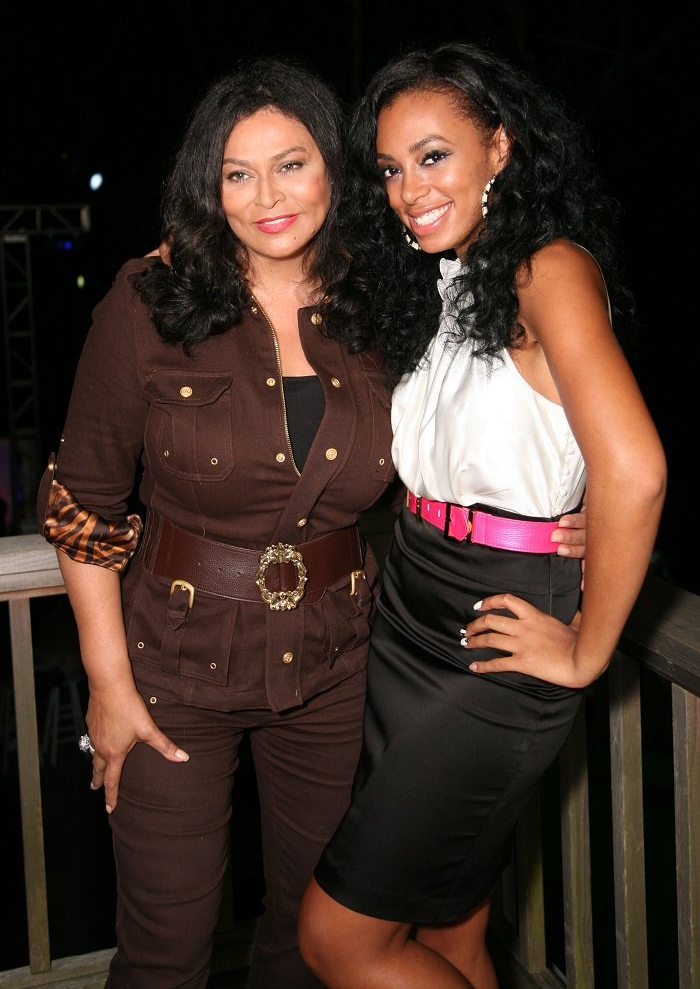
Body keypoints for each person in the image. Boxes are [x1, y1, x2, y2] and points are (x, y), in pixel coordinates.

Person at [37, 52, 587, 989]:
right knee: (166, 950)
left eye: (291, 163)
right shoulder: (151, 301)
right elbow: (83, 504)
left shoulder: (389, 303)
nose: (266, 197)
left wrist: (560, 518)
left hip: (339, 666)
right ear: (209, 187)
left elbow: (472, 423)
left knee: (306, 944)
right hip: (171, 665)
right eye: (237, 174)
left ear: (334, 166)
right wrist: (107, 682)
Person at [298, 41, 667, 989]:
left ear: (499, 149)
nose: (406, 187)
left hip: (498, 629)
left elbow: (637, 467)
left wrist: (587, 646)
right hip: (415, 602)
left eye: (433, 155)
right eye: (388, 168)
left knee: (339, 939)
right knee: (450, 929)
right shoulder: (453, 283)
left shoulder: (547, 269)